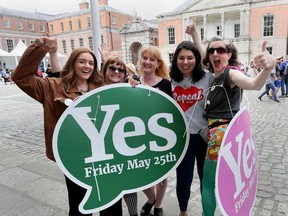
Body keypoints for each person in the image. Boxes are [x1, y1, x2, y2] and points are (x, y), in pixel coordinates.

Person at [11, 37, 104, 216]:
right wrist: (41, 49)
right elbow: (20, 77)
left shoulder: (101, 87)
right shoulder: (53, 86)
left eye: (91, 63)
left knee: (105, 199)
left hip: (102, 153)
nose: (87, 66)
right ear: (72, 64)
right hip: (73, 155)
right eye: (82, 61)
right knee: (79, 203)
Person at [196, 36, 275, 216]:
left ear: (229, 54)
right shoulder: (213, 76)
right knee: (231, 182)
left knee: (208, 183)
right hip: (230, 136)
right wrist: (195, 36)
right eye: (211, 51)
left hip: (220, 134)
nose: (215, 54)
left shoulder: (230, 73)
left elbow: (253, 84)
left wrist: (268, 68)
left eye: (220, 50)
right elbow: (202, 53)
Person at [170, 24, 214, 215]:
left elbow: (209, 60)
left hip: (205, 136)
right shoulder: (170, 81)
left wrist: (195, 34)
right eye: (181, 58)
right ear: (175, 60)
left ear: (196, 59)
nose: (185, 62)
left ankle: (207, 211)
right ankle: (183, 211)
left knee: (207, 178)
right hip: (183, 138)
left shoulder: (207, 78)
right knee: (183, 178)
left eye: (190, 57)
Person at [133, 46, 171, 216]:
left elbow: (173, 112)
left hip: (160, 137)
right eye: (145, 58)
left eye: (152, 59)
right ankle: (151, 199)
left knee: (162, 177)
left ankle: (158, 207)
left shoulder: (167, 85)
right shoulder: (132, 82)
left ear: (158, 63)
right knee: (141, 175)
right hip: (137, 138)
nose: (147, 62)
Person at [99, 55, 138, 216]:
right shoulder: (96, 90)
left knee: (129, 184)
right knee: (108, 190)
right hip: (105, 149)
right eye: (112, 68)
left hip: (126, 146)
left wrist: (136, 84)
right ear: (105, 70)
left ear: (125, 73)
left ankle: (133, 213)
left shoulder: (131, 89)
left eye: (121, 69)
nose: (116, 72)